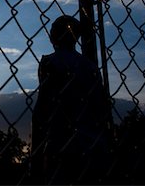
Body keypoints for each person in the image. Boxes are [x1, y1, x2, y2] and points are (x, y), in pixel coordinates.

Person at [31, 15, 111, 184]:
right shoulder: (90, 66)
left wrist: (36, 151)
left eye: (53, 29)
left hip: (61, 143)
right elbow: (101, 106)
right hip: (94, 143)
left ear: (55, 35)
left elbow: (42, 105)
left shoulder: (49, 62)